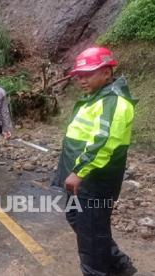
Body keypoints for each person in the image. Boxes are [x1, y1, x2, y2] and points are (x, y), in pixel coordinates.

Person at [53, 47, 137, 276]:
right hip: (81, 180)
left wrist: (79, 171)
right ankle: (120, 266)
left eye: (88, 73)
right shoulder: (96, 98)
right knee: (79, 221)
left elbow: (104, 141)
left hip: (93, 181)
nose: (82, 79)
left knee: (91, 242)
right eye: (79, 75)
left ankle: (102, 270)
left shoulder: (115, 101)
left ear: (107, 72)